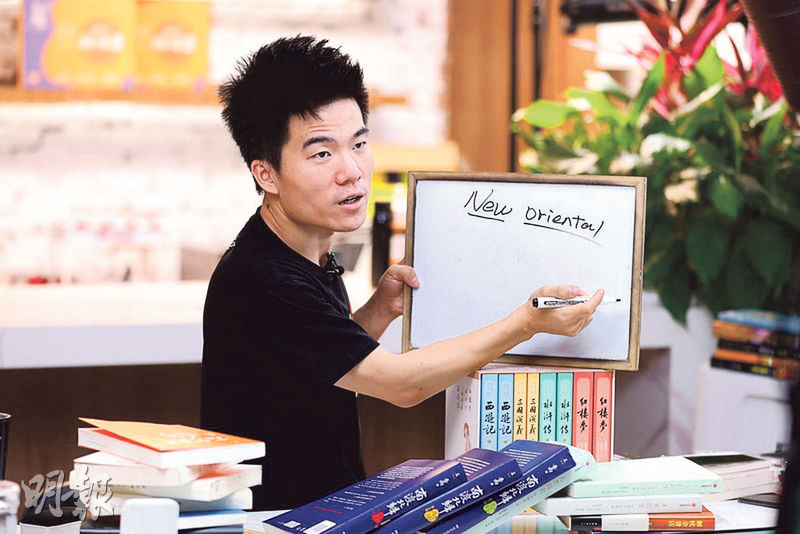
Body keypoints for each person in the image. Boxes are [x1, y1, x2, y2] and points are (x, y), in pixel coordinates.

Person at [201, 35, 603, 511]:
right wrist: (526, 323)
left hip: (323, 509)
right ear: (266, 174)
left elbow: (311, 364)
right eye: (322, 153)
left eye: (359, 144)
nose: (352, 171)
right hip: (275, 519)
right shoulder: (264, 277)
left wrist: (376, 311)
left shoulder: (304, 251)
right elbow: (401, 384)